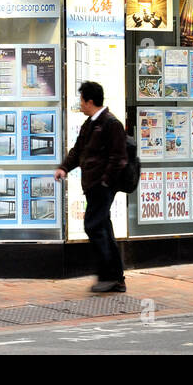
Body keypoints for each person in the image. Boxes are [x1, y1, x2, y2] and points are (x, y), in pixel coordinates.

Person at [54, 81, 128, 293]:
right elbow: (78, 151)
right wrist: (64, 168)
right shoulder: (90, 123)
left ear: (90, 101)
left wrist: (105, 182)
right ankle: (116, 278)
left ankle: (109, 276)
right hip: (94, 186)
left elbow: (119, 158)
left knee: (93, 226)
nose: (80, 104)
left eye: (82, 100)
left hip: (102, 187)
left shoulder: (110, 123)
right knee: (103, 227)